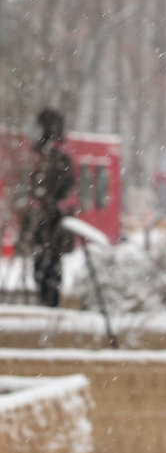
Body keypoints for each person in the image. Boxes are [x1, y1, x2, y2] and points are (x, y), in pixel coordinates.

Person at [18, 108, 75, 308]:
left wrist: (45, 207)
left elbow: (59, 191)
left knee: (49, 274)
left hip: (51, 230)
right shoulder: (47, 157)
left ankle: (50, 314)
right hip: (46, 230)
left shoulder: (57, 158)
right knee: (43, 272)